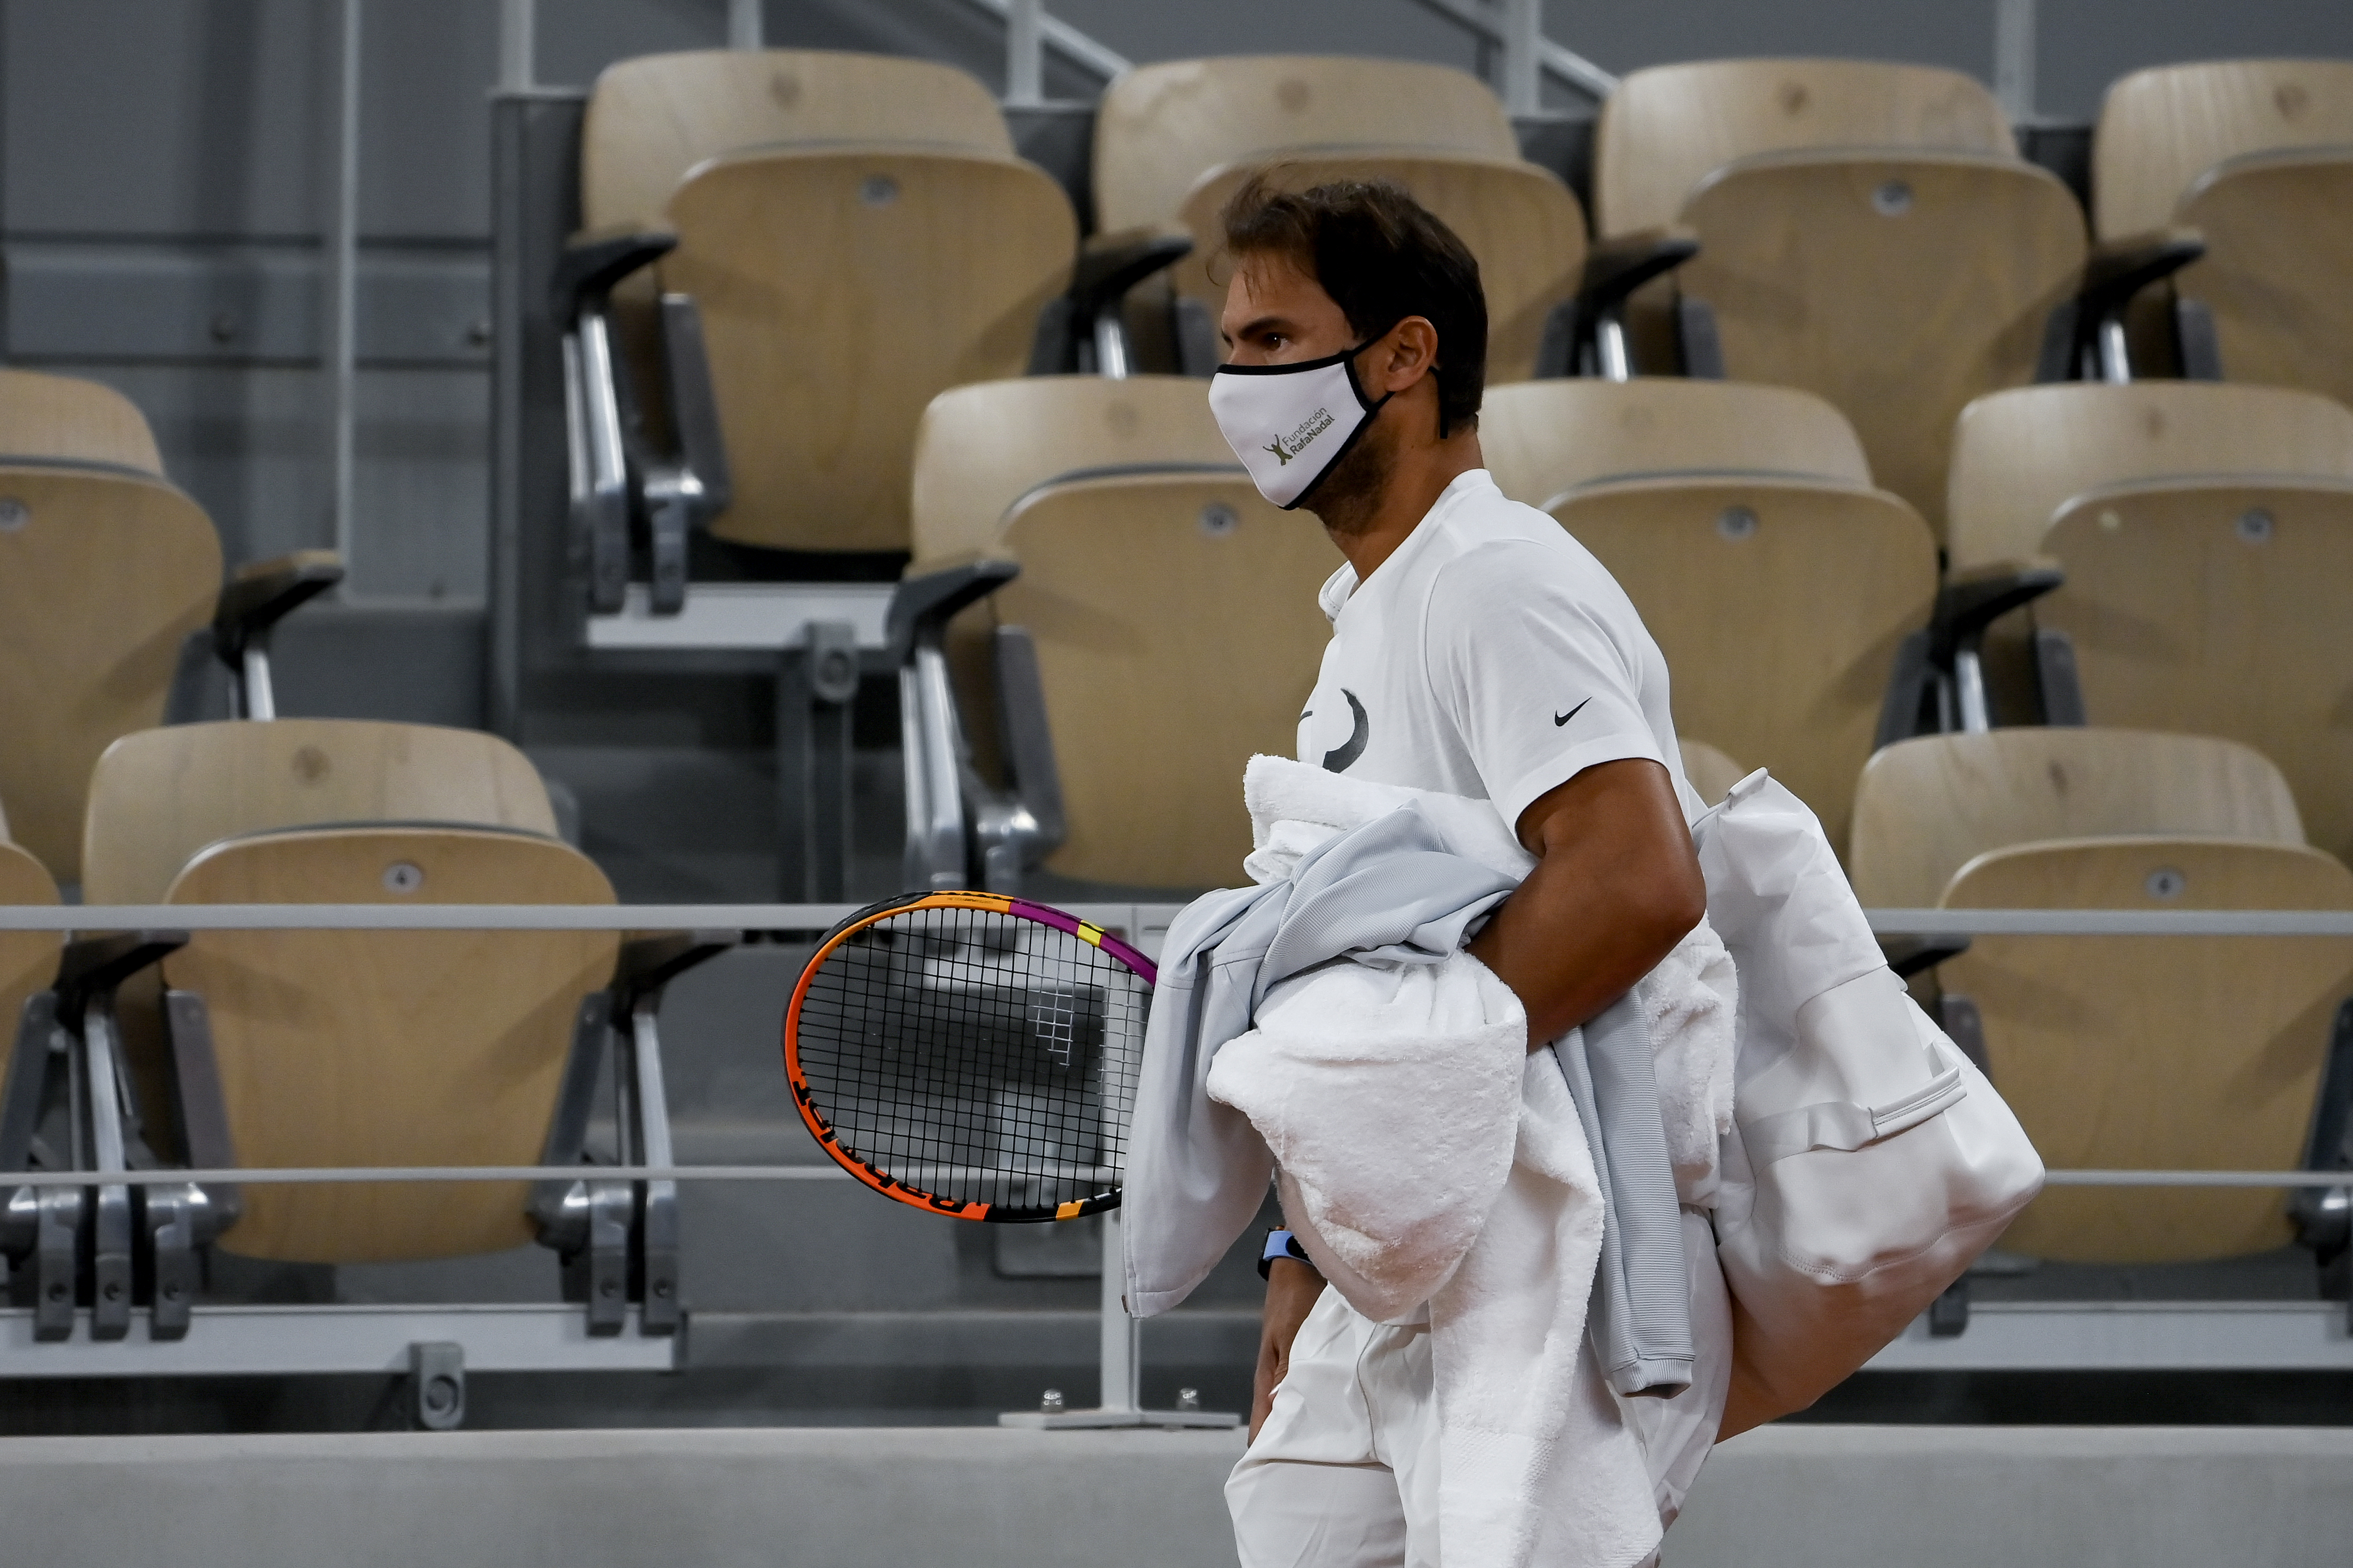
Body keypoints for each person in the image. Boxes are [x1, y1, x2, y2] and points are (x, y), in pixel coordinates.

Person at [1203, 174, 1729, 1566]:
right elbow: (1368, 982)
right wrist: (1304, 1245)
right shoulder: (1371, 614)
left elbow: (1637, 877)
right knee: (1295, 1522)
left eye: (1272, 341)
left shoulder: (1495, 576)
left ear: (1404, 357)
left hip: (1548, 1227)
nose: (1235, 385)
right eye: (1230, 347)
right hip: (1408, 1224)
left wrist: (1400, 1094)